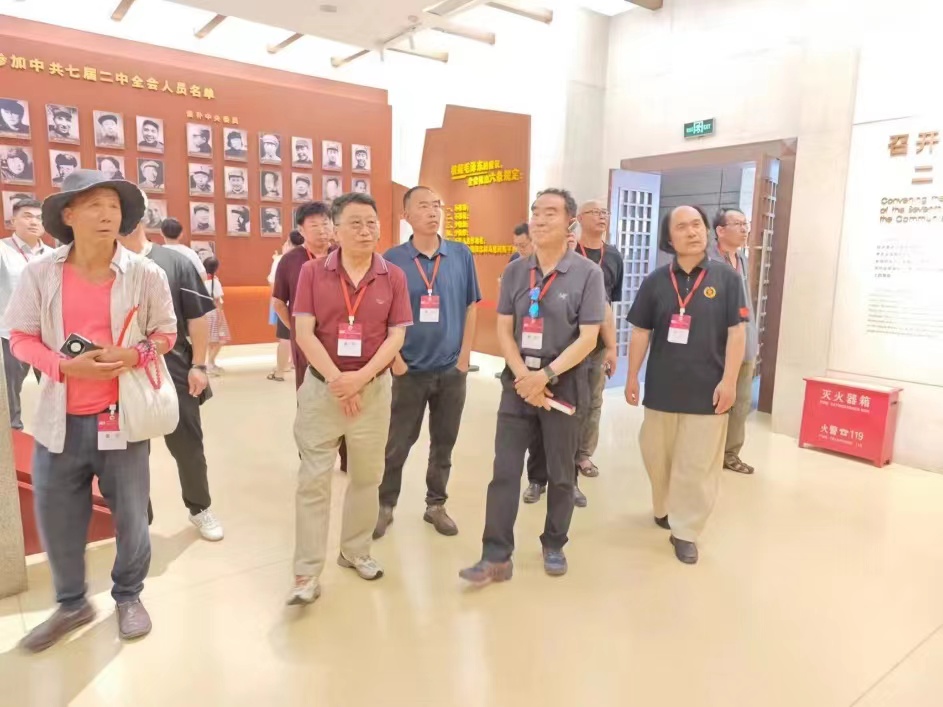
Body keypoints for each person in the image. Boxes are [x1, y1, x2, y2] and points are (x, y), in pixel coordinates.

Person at [5, 169, 177, 651]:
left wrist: (134, 355)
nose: (107, 215)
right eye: (94, 205)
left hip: (121, 417)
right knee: (58, 516)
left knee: (131, 514)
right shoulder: (41, 274)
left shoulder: (145, 273)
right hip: (58, 421)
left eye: (114, 206)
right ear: (68, 215)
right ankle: (72, 603)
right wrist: (64, 366)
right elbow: (19, 337)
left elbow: (166, 333)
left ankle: (128, 595)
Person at [459, 188, 605, 586]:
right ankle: (495, 556)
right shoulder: (515, 271)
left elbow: (588, 338)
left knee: (561, 473)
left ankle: (554, 543)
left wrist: (546, 376)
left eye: (550, 213)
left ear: (570, 222)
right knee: (505, 471)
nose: (539, 219)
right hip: (518, 385)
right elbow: (504, 329)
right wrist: (525, 376)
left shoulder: (587, 274)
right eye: (536, 212)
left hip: (563, 386)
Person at [287, 192, 412, 605]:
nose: (365, 231)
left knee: (367, 476)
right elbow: (304, 332)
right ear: (335, 230)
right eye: (355, 223)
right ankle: (306, 572)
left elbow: (396, 336)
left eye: (371, 223)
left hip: (372, 392)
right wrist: (339, 380)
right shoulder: (311, 272)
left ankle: (356, 550)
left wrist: (359, 379)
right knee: (313, 481)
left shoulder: (393, 275)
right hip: (322, 391)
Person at [625, 205, 746, 565]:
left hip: (708, 389)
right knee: (656, 455)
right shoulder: (656, 281)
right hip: (661, 388)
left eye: (697, 225)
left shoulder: (727, 279)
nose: (692, 232)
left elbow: (737, 334)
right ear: (669, 238)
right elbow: (640, 331)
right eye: (682, 227)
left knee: (697, 463)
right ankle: (664, 506)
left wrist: (729, 381)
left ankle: (686, 530)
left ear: (707, 231)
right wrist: (632, 376)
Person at [373, 187, 480, 539]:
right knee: (398, 444)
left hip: (451, 370)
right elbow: (380, 314)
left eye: (437, 205)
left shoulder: (461, 254)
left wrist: (464, 357)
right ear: (406, 216)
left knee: (444, 442)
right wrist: (396, 361)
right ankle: (385, 504)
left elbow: (471, 306)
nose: (433, 212)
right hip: (410, 370)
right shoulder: (392, 259)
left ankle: (436, 504)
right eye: (423, 206)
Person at [120, 220, 222, 541]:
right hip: (122, 369)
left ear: (142, 217)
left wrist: (199, 365)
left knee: (188, 444)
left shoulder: (174, 261)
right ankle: (139, 517)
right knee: (129, 448)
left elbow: (197, 317)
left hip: (174, 365)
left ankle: (200, 507)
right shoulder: (106, 263)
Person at [711, 208, 758, 475]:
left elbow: (745, 303)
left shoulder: (743, 259)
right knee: (715, 402)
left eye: (745, 224)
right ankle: (711, 453)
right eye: (738, 224)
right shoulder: (708, 260)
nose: (744, 229)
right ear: (720, 230)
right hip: (717, 345)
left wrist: (753, 338)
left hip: (745, 341)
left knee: (741, 403)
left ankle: (731, 454)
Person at [0, 198, 48, 429]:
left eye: (39, 218)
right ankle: (12, 440)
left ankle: (59, 440)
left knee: (56, 392)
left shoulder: (55, 255)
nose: (34, 222)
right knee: (9, 398)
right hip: (11, 335)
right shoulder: (2, 250)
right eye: (27, 216)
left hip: (48, 337)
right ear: (13, 221)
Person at [268, 230, 304, 382]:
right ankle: (293, 364)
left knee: (285, 337)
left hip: (287, 304)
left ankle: (280, 372)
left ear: (289, 242)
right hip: (305, 306)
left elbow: (274, 286)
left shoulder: (283, 260)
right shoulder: (308, 256)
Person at [203, 256, 230, 374]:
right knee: (221, 339)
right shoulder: (215, 282)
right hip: (214, 312)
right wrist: (220, 317)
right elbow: (218, 300)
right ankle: (210, 362)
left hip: (204, 313)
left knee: (211, 340)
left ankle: (211, 363)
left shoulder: (200, 280)